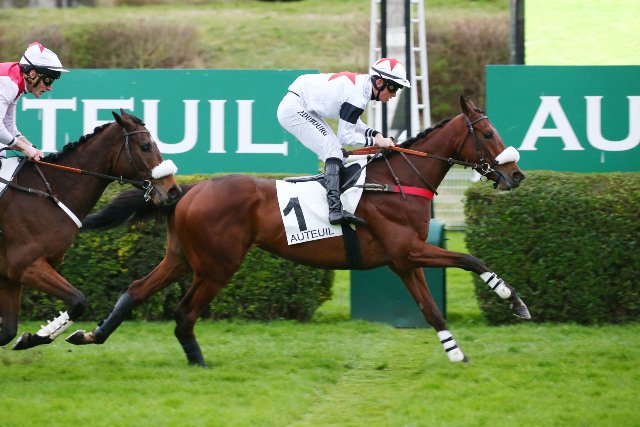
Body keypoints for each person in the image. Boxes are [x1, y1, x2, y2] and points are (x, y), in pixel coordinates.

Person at [277, 57, 410, 226]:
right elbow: (345, 137)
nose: (394, 94)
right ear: (379, 83)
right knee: (333, 152)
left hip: (301, 104)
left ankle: (332, 201)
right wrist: (377, 142)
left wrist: (376, 135)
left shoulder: (362, 88)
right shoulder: (357, 97)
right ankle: (334, 210)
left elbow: (353, 122)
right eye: (393, 87)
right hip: (295, 109)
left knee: (338, 154)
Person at [0, 41, 69, 161]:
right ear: (32, 74)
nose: (50, 87)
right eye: (48, 81)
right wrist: (24, 148)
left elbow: (8, 126)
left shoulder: (17, 81)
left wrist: (31, 147)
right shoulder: (9, 83)